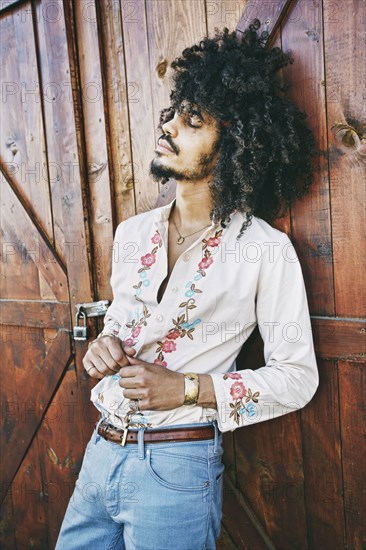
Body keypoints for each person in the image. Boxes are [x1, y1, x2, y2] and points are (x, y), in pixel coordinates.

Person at [56, 20, 319, 550]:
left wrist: (188, 388)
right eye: (173, 113)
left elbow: (298, 378)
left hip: (177, 464)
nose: (169, 127)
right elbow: (126, 332)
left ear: (237, 144)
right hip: (100, 450)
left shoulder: (265, 250)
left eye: (192, 121)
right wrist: (105, 349)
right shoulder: (132, 235)